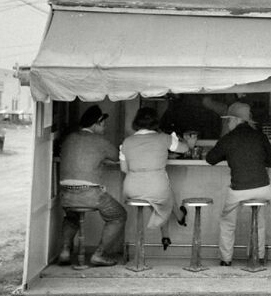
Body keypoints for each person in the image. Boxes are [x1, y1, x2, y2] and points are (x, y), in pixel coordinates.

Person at [205, 102, 271, 266]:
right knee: (259, 222)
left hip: (239, 190)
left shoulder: (228, 139)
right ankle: (257, 257)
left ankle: (226, 259)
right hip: (263, 189)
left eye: (228, 120)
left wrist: (228, 154)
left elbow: (210, 159)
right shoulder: (260, 136)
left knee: (227, 222)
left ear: (236, 120)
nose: (227, 123)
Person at [58, 105, 127, 267]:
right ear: (96, 123)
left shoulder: (69, 138)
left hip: (66, 195)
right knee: (118, 216)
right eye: (103, 124)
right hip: (90, 195)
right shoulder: (100, 141)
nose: (105, 127)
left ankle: (65, 251)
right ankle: (99, 254)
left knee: (71, 217)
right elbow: (118, 157)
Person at [120, 107, 190, 251]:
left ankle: (166, 234)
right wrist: (187, 141)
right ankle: (179, 216)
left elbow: (124, 169)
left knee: (159, 194)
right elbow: (184, 149)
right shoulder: (164, 138)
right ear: (156, 122)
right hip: (157, 188)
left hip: (131, 189)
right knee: (163, 194)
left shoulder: (127, 142)